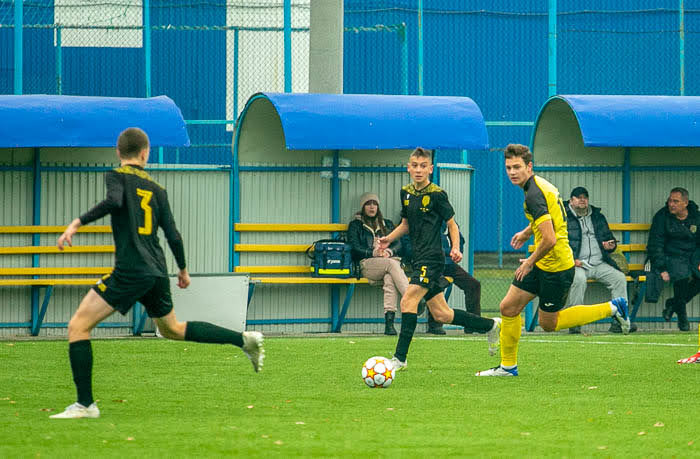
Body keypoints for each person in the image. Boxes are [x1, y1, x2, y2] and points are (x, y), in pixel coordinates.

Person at [50, 127, 264, 419]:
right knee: (171, 329)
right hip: (157, 272)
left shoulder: (116, 176)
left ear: (119, 153)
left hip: (131, 271)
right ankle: (243, 339)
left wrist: (76, 223)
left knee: (77, 327)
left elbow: (114, 202)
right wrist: (183, 269)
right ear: (145, 153)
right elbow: (173, 235)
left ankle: (85, 405)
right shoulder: (156, 189)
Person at [476, 144, 630, 377]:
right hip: (544, 263)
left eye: (517, 167)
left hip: (556, 267)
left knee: (548, 324)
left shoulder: (533, 194)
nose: (512, 172)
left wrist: (529, 262)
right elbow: (553, 218)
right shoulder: (541, 185)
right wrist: (528, 232)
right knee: (508, 308)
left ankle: (612, 307)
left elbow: (548, 238)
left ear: (529, 166)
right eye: (508, 167)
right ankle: (508, 367)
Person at [377, 147, 502, 370]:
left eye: (423, 166)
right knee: (442, 314)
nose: (418, 170)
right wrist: (388, 239)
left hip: (432, 259)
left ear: (430, 169)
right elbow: (405, 225)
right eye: (414, 165)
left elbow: (452, 224)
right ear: (408, 167)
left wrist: (455, 247)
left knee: (408, 301)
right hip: (418, 258)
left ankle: (400, 358)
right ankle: (491, 325)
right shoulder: (405, 193)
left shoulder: (437, 194)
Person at [564, 187, 637, 334]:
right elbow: (559, 242)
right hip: (577, 264)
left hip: (599, 262)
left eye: (585, 197)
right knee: (578, 280)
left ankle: (619, 321)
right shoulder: (564, 216)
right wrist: (571, 260)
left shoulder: (597, 217)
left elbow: (608, 238)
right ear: (571, 201)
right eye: (578, 197)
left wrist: (610, 245)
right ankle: (574, 323)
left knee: (619, 278)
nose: (582, 200)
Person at [347, 192, 408, 335]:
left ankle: (389, 323)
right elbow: (354, 248)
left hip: (387, 263)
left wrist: (389, 252)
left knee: (390, 278)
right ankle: (411, 298)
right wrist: (372, 252)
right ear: (363, 207)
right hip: (367, 264)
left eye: (374, 204)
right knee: (392, 265)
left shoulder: (387, 224)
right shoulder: (356, 225)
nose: (372, 207)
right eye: (368, 204)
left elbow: (399, 244)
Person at [647, 187, 700, 332]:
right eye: (670, 200)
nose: (671, 204)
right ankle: (682, 318)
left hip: (693, 256)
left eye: (676, 201)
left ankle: (673, 304)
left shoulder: (696, 216)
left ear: (685, 203)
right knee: (681, 276)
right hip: (671, 256)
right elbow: (655, 244)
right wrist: (662, 268)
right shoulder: (662, 217)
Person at [424, 225, 483, 335]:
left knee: (473, 285)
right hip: (428, 262)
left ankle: (474, 324)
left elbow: (459, 239)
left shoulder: (448, 221)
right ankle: (435, 325)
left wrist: (455, 253)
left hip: (448, 262)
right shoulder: (419, 217)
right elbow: (407, 242)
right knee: (438, 284)